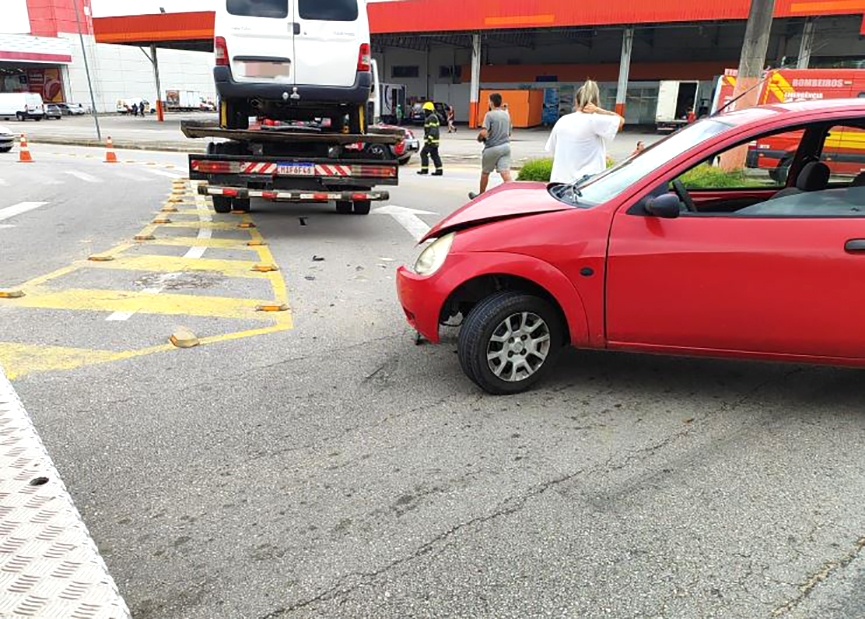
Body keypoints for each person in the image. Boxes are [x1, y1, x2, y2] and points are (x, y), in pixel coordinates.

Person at [544, 80, 624, 184]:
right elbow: (621, 121)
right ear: (596, 102)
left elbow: (555, 149)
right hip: (586, 185)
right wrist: (599, 110)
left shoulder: (562, 120)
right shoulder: (594, 119)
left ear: (576, 101)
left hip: (560, 184)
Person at [469, 93, 512, 199]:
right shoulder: (507, 114)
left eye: (488, 100)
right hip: (506, 147)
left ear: (492, 102)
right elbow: (509, 133)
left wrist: (479, 138)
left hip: (492, 148)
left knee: (485, 173)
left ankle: (481, 195)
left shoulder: (489, 115)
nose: (488, 102)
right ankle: (513, 193)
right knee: (505, 172)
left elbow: (484, 132)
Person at [417, 101, 443, 176]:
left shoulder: (432, 118)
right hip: (433, 141)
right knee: (434, 155)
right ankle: (439, 170)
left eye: (426, 110)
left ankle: (424, 169)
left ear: (429, 110)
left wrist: (429, 139)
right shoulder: (432, 117)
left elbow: (433, 130)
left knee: (423, 153)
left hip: (431, 141)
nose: (425, 112)